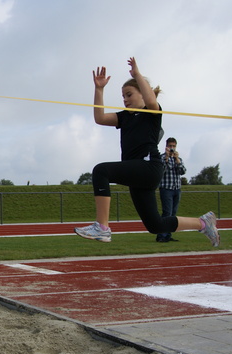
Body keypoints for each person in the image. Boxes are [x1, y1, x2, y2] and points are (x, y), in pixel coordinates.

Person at [74, 58, 219, 247]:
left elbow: (151, 100)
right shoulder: (125, 117)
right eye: (123, 96)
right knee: (155, 225)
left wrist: (137, 75)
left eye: (129, 94)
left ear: (142, 94)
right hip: (138, 173)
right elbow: (100, 118)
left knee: (101, 171)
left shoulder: (151, 113)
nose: (125, 99)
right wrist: (99, 90)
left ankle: (102, 228)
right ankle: (203, 223)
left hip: (149, 167)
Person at [156, 137, 186, 242]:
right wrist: (167, 158)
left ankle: (167, 235)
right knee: (166, 213)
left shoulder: (179, 159)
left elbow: (182, 171)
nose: (172, 148)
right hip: (166, 188)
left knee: (173, 214)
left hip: (176, 188)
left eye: (173, 146)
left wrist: (177, 160)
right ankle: (161, 235)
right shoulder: (162, 158)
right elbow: (162, 170)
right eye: (170, 146)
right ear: (166, 146)